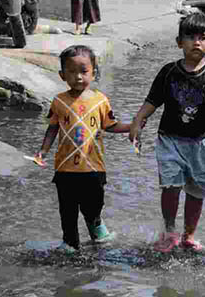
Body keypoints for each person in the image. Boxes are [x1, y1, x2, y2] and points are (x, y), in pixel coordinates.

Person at [129, 12, 205, 253]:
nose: (196, 42)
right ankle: (170, 231)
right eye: (190, 37)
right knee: (170, 186)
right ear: (179, 42)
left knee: (197, 191)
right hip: (170, 140)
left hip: (202, 143)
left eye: (203, 38)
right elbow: (152, 101)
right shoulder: (168, 72)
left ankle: (189, 235)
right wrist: (138, 120)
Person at [35, 45, 131, 253]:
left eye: (83, 71)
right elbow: (52, 128)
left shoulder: (100, 100)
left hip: (94, 167)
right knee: (67, 209)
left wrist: (131, 127)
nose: (78, 77)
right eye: (72, 72)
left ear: (94, 73)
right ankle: (70, 243)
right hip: (65, 168)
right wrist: (43, 152)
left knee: (94, 204)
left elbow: (111, 125)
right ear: (62, 75)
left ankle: (96, 226)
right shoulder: (59, 101)